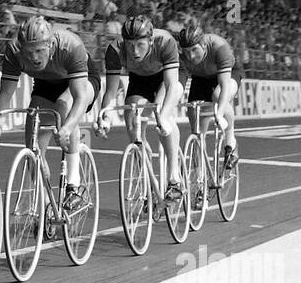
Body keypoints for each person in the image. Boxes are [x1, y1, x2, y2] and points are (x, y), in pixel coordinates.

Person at [0, 15, 94, 219]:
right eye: (29, 52)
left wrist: (67, 128)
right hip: (45, 84)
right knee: (33, 144)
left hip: (80, 81)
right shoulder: (14, 52)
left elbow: (80, 97)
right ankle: (46, 206)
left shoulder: (70, 46)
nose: (34, 58)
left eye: (39, 51)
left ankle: (74, 184)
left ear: (50, 44)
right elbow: (5, 94)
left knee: (65, 105)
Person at [96, 12, 184, 203]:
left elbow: (171, 86)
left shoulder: (165, 42)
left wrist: (162, 115)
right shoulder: (115, 50)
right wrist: (103, 117)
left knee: (163, 116)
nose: (134, 51)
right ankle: (149, 181)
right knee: (132, 125)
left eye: (140, 45)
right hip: (139, 80)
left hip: (166, 78)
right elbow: (110, 92)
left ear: (151, 41)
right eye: (130, 46)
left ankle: (174, 178)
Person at [176, 15, 239, 171]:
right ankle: (200, 173)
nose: (190, 56)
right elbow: (178, 82)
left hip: (227, 74)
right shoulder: (182, 56)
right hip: (200, 78)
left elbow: (224, 86)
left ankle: (230, 142)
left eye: (194, 50)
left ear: (203, 44)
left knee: (218, 96)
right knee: (196, 122)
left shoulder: (219, 47)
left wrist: (219, 114)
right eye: (186, 51)